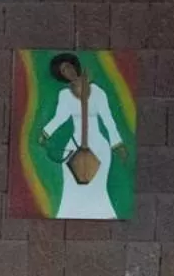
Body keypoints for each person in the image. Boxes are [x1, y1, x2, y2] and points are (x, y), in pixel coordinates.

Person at [39, 52, 127, 219]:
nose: (68, 72)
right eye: (63, 71)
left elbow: (108, 120)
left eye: (69, 67)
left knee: (96, 187)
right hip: (74, 146)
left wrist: (117, 144)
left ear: (75, 67)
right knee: (72, 187)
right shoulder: (64, 95)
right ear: (61, 76)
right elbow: (60, 117)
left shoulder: (98, 92)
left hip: (99, 146)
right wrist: (45, 133)